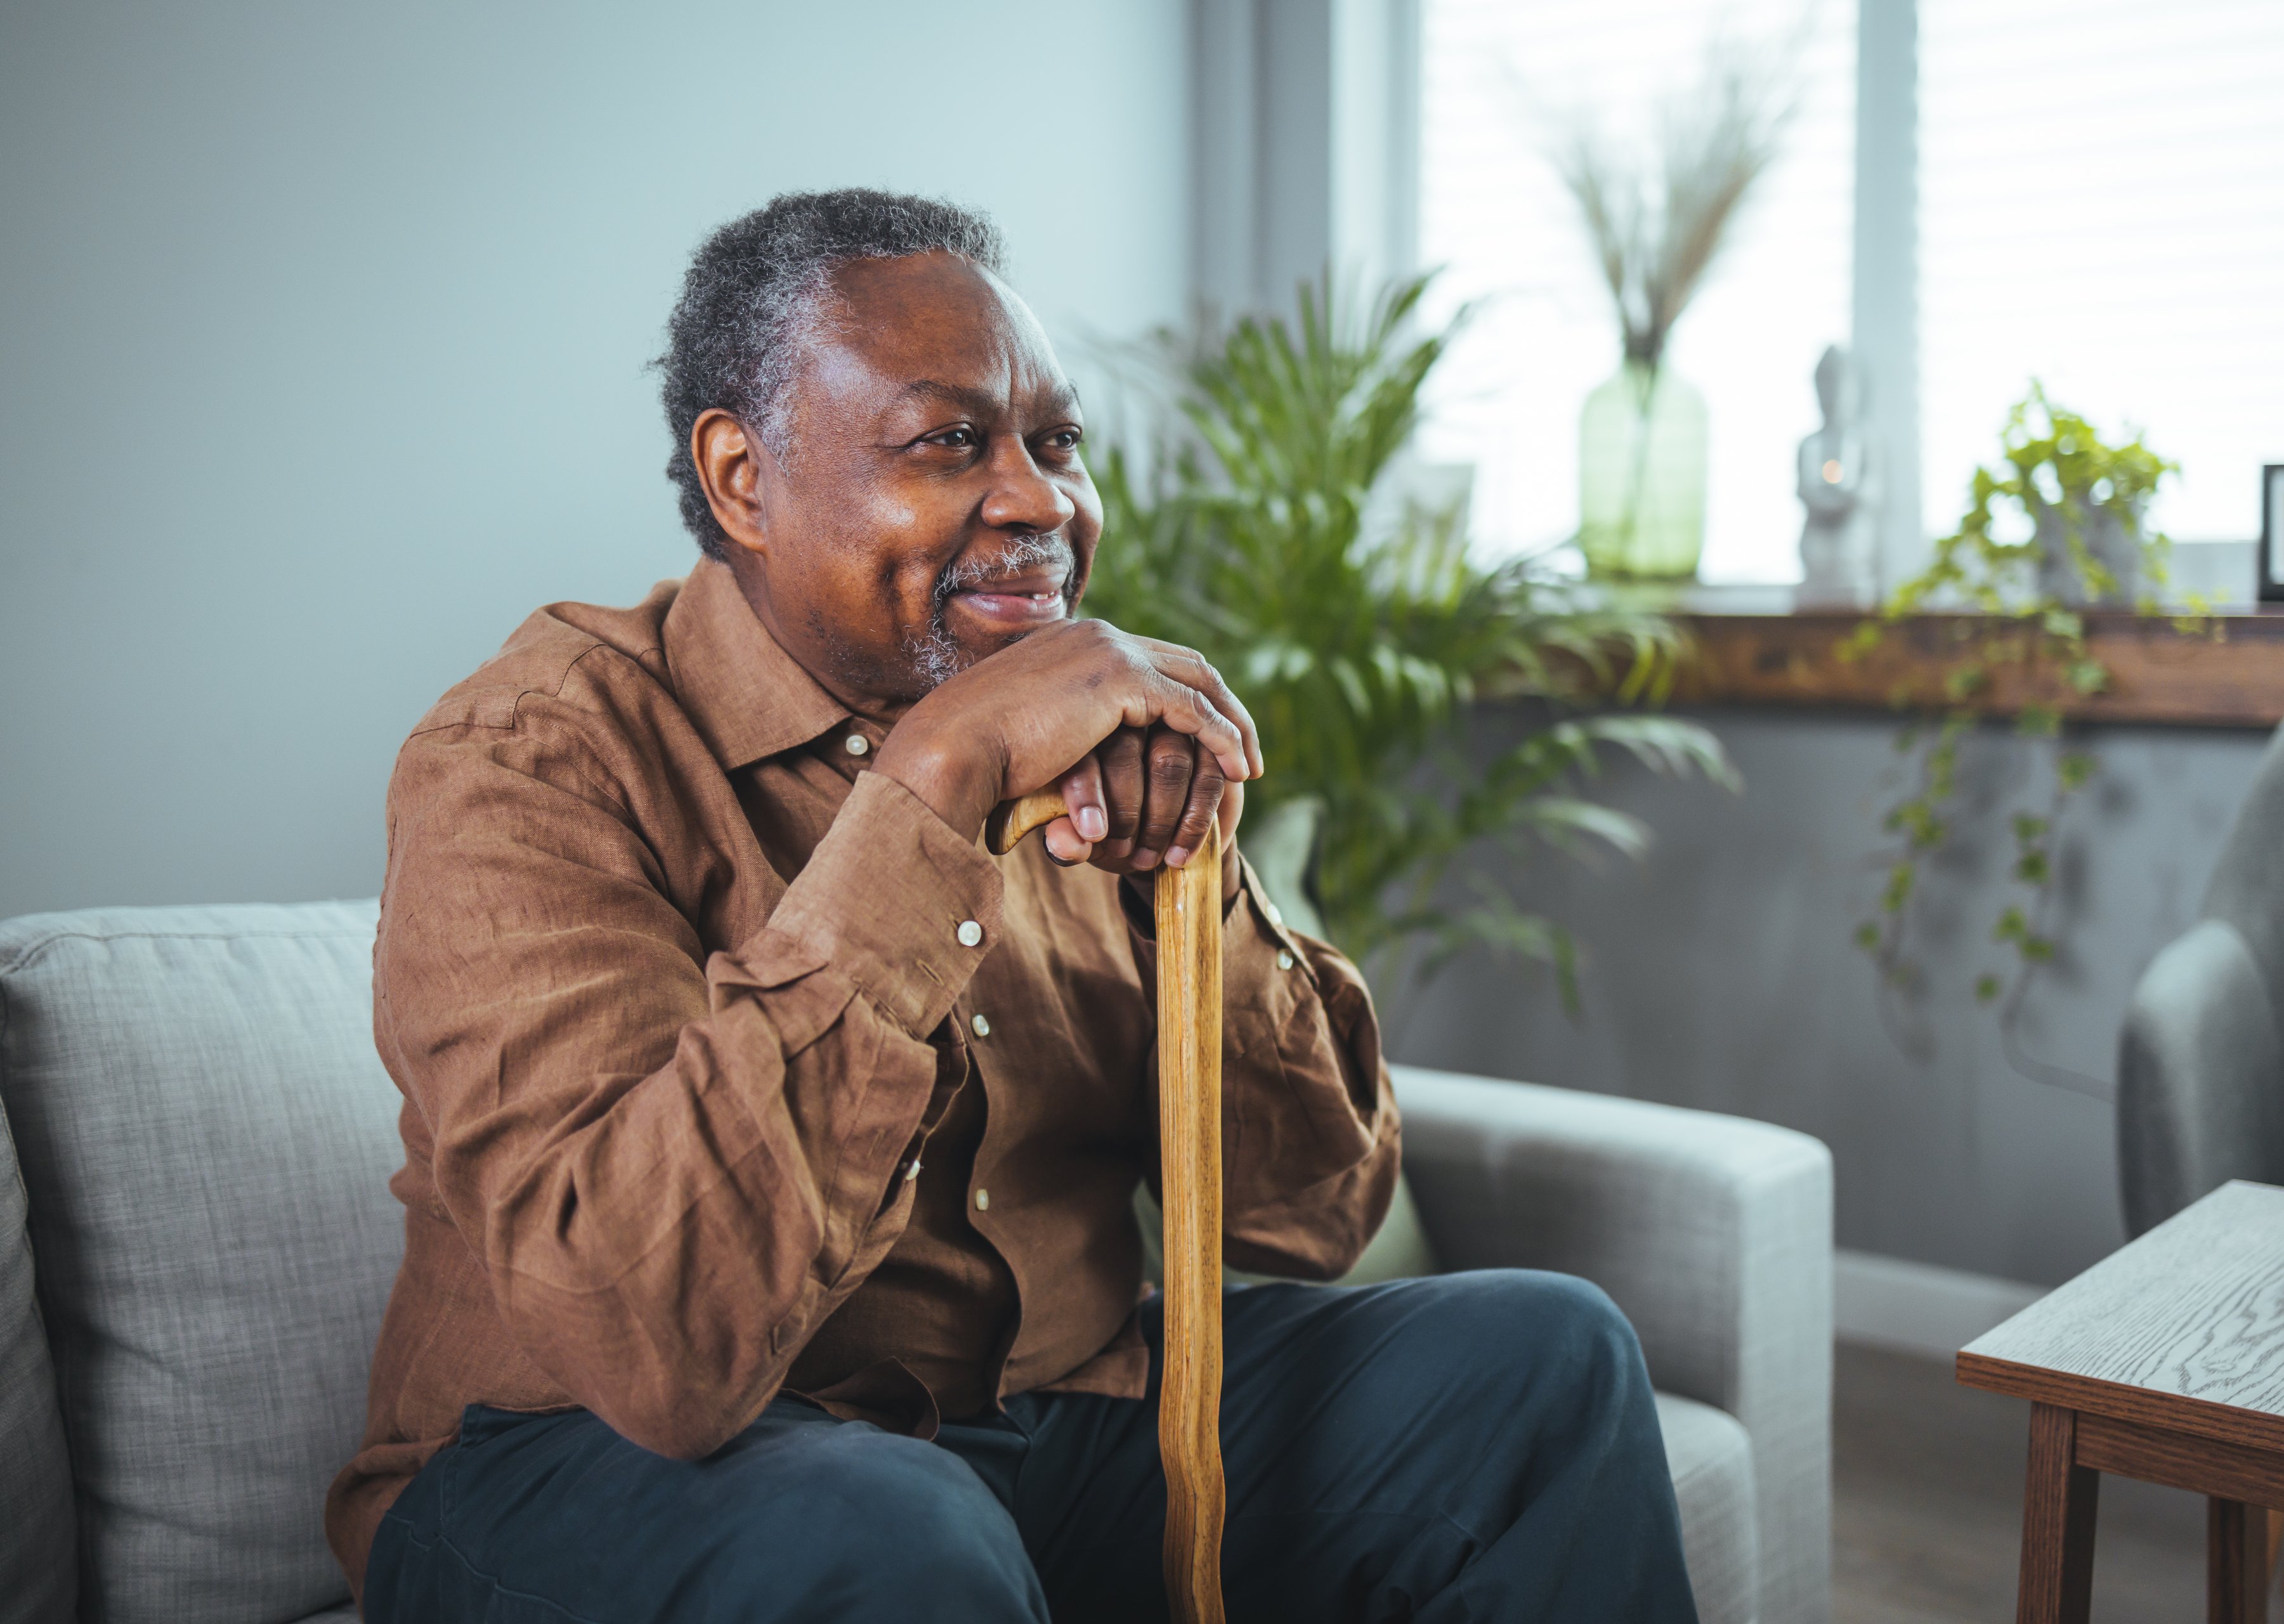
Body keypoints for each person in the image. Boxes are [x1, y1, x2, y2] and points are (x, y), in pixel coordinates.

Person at [334, 187, 1699, 1624]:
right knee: (895, 1534)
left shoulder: (1081, 740)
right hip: (577, 1464)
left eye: (1056, 443)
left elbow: (1320, 1215)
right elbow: (652, 1338)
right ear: (743, 478)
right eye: (948, 443)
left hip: (1042, 1419)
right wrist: (932, 787)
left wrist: (1199, 876)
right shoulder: (535, 759)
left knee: (1548, 1363)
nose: (1044, 499)